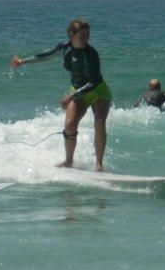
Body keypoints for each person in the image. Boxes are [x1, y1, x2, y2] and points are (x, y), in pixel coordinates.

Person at [10, 19, 112, 171]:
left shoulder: (91, 54)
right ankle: (69, 161)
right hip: (77, 90)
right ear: (72, 34)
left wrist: (71, 96)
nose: (86, 38)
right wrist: (23, 61)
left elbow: (93, 82)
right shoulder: (64, 48)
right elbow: (46, 56)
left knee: (100, 122)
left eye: (88, 35)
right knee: (70, 126)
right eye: (82, 35)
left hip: (98, 90)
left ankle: (99, 164)